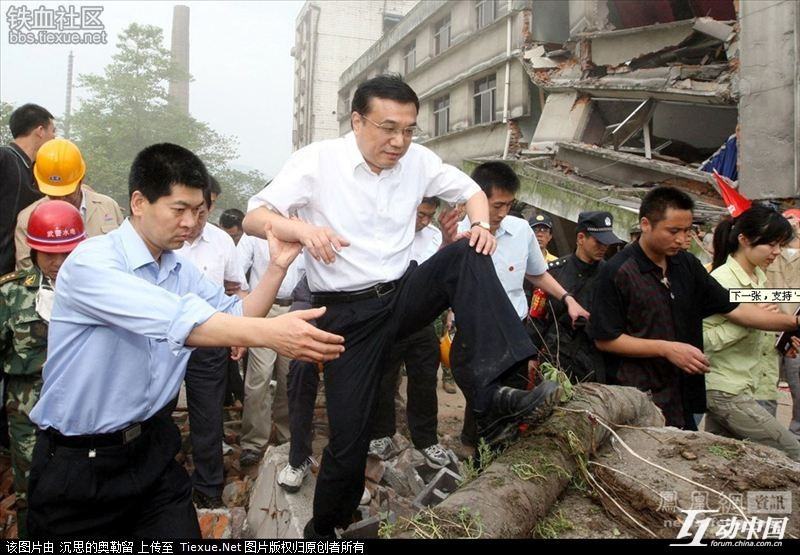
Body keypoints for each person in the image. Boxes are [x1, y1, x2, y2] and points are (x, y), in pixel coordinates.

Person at [243, 75, 561, 539]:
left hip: (401, 295)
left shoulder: (418, 160)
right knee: (349, 442)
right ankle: (326, 529)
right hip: (345, 315)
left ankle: (496, 392)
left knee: (468, 253)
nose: (399, 141)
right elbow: (255, 215)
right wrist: (302, 231)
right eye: (388, 128)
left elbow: (471, 191)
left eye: (409, 130)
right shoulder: (317, 161)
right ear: (357, 121)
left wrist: (480, 224)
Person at [25, 143, 344, 537]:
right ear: (139, 202)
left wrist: (277, 267)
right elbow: (181, 322)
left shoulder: (179, 270)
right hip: (79, 463)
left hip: (151, 449)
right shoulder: (92, 263)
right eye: (179, 210)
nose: (191, 223)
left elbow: (236, 315)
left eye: (197, 211)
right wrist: (276, 335)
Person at [589, 186, 800, 430]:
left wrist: (793, 323)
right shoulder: (617, 271)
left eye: (687, 230)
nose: (681, 239)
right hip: (638, 398)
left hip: (683, 395)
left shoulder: (686, 265)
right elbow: (605, 339)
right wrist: (666, 348)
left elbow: (737, 310)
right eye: (673, 231)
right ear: (646, 224)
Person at [447, 161, 590, 446]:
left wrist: (567, 298)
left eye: (508, 205)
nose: (502, 213)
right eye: (496, 205)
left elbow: (537, 273)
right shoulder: (457, 234)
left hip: (515, 329)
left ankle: (490, 449)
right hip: (475, 333)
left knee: (508, 393)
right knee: (483, 392)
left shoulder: (521, 230)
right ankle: (475, 449)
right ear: (476, 198)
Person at [1, 200, 86, 537]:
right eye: (49, 253)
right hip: (28, 407)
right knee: (29, 486)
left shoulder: (98, 290)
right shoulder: (11, 294)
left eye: (66, 253)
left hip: (82, 404)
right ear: (33, 249)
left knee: (81, 486)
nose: (58, 262)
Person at [703, 204, 800, 460]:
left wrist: (783, 343)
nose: (777, 252)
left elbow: (759, 335)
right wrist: (749, 322)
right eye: (770, 244)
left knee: (724, 463)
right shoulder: (721, 281)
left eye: (781, 244)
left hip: (755, 388)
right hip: (726, 389)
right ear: (744, 240)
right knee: (792, 452)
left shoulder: (759, 279)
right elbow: (700, 341)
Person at [174, 175, 248, 507]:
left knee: (207, 414)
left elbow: (235, 289)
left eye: (203, 209)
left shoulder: (221, 242)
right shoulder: (164, 237)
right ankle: (160, 479)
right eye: (187, 208)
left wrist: (237, 331)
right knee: (156, 412)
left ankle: (208, 488)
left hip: (210, 339)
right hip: (164, 340)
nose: (195, 219)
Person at [369, 197, 450, 468]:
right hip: (387, 318)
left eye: (430, 215)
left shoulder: (434, 236)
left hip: (421, 320)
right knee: (384, 379)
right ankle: (381, 434)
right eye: (421, 214)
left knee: (425, 380)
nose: (425, 221)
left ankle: (426, 439)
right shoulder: (385, 231)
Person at [238, 217, 306, 468]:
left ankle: (288, 437)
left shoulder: (304, 232)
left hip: (296, 310)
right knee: (259, 378)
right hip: (263, 311)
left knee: (291, 377)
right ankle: (253, 443)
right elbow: (237, 274)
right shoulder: (253, 237)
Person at [540, 211, 624, 384]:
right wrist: (531, 357)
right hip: (555, 357)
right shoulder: (554, 272)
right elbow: (539, 317)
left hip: (594, 361)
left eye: (606, 243)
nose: (603, 248)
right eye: (598, 242)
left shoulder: (612, 276)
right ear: (580, 238)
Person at [15, 138, 124, 270]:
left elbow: (123, 253)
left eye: (67, 193)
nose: (61, 199)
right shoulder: (28, 218)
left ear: (81, 179)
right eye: (53, 194)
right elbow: (27, 271)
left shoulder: (108, 207)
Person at [0, 104, 55, 276]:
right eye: (53, 131)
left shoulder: (37, 172)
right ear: (40, 131)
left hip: (12, 278)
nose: (54, 137)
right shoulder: (5, 158)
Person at [765, 208, 800, 438]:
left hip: (796, 333)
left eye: (793, 220)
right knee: (765, 388)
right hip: (766, 329)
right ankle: (768, 438)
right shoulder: (766, 252)